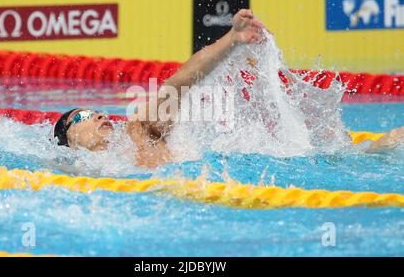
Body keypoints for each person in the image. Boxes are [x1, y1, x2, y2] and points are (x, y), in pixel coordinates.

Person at [53, 9, 404, 168]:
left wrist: (232, 41)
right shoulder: (73, 172)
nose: (97, 113)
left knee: (355, 156)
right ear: (69, 141)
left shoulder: (138, 133)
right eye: (81, 116)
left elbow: (180, 83)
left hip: (256, 171)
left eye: (94, 110)